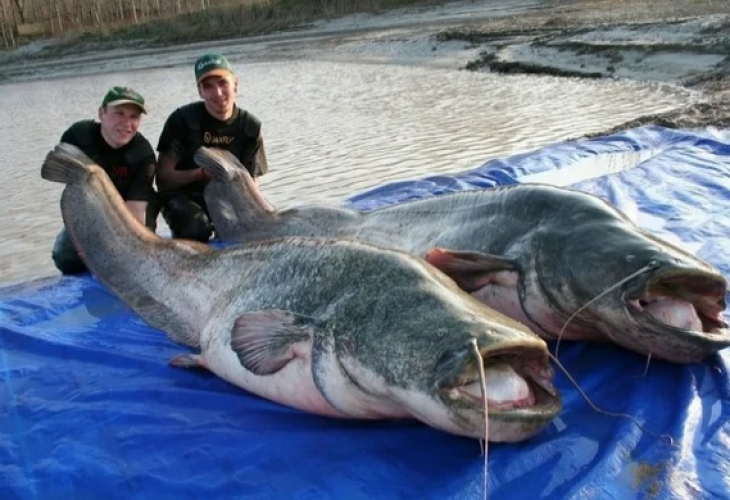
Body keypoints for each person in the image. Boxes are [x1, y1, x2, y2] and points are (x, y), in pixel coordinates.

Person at [155, 53, 268, 242]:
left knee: (259, 227)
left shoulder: (250, 126)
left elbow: (253, 183)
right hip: (185, 196)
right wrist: (201, 174)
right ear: (200, 91)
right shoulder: (181, 120)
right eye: (208, 86)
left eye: (223, 83)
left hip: (229, 196)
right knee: (196, 229)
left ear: (235, 84)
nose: (217, 93)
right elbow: (163, 180)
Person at [51, 86, 157, 274]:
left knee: (132, 255)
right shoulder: (78, 136)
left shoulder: (143, 154)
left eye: (134, 117)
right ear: (102, 113)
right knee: (65, 257)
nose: (127, 124)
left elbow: (136, 213)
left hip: (129, 211)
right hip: (90, 210)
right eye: (119, 114)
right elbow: (62, 179)